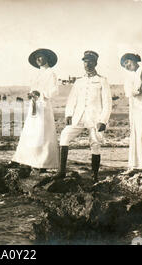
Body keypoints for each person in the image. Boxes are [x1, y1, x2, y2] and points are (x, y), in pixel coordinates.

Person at [57, 51, 112, 181]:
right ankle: (61, 171)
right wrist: (69, 114)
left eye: (91, 61)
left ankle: (94, 175)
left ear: (96, 63)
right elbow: (72, 99)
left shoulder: (102, 80)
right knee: (64, 135)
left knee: (95, 143)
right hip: (79, 117)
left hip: (95, 118)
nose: (88, 64)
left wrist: (103, 120)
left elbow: (107, 103)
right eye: (85, 61)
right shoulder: (79, 82)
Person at [11, 48, 60, 175]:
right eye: (36, 58)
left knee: (42, 134)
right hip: (34, 106)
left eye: (40, 57)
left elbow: (54, 91)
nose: (38, 60)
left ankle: (42, 163)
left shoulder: (51, 73)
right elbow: (33, 88)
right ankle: (25, 160)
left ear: (46, 58)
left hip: (44, 106)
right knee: (30, 132)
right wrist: (31, 94)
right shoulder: (37, 74)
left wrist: (41, 94)